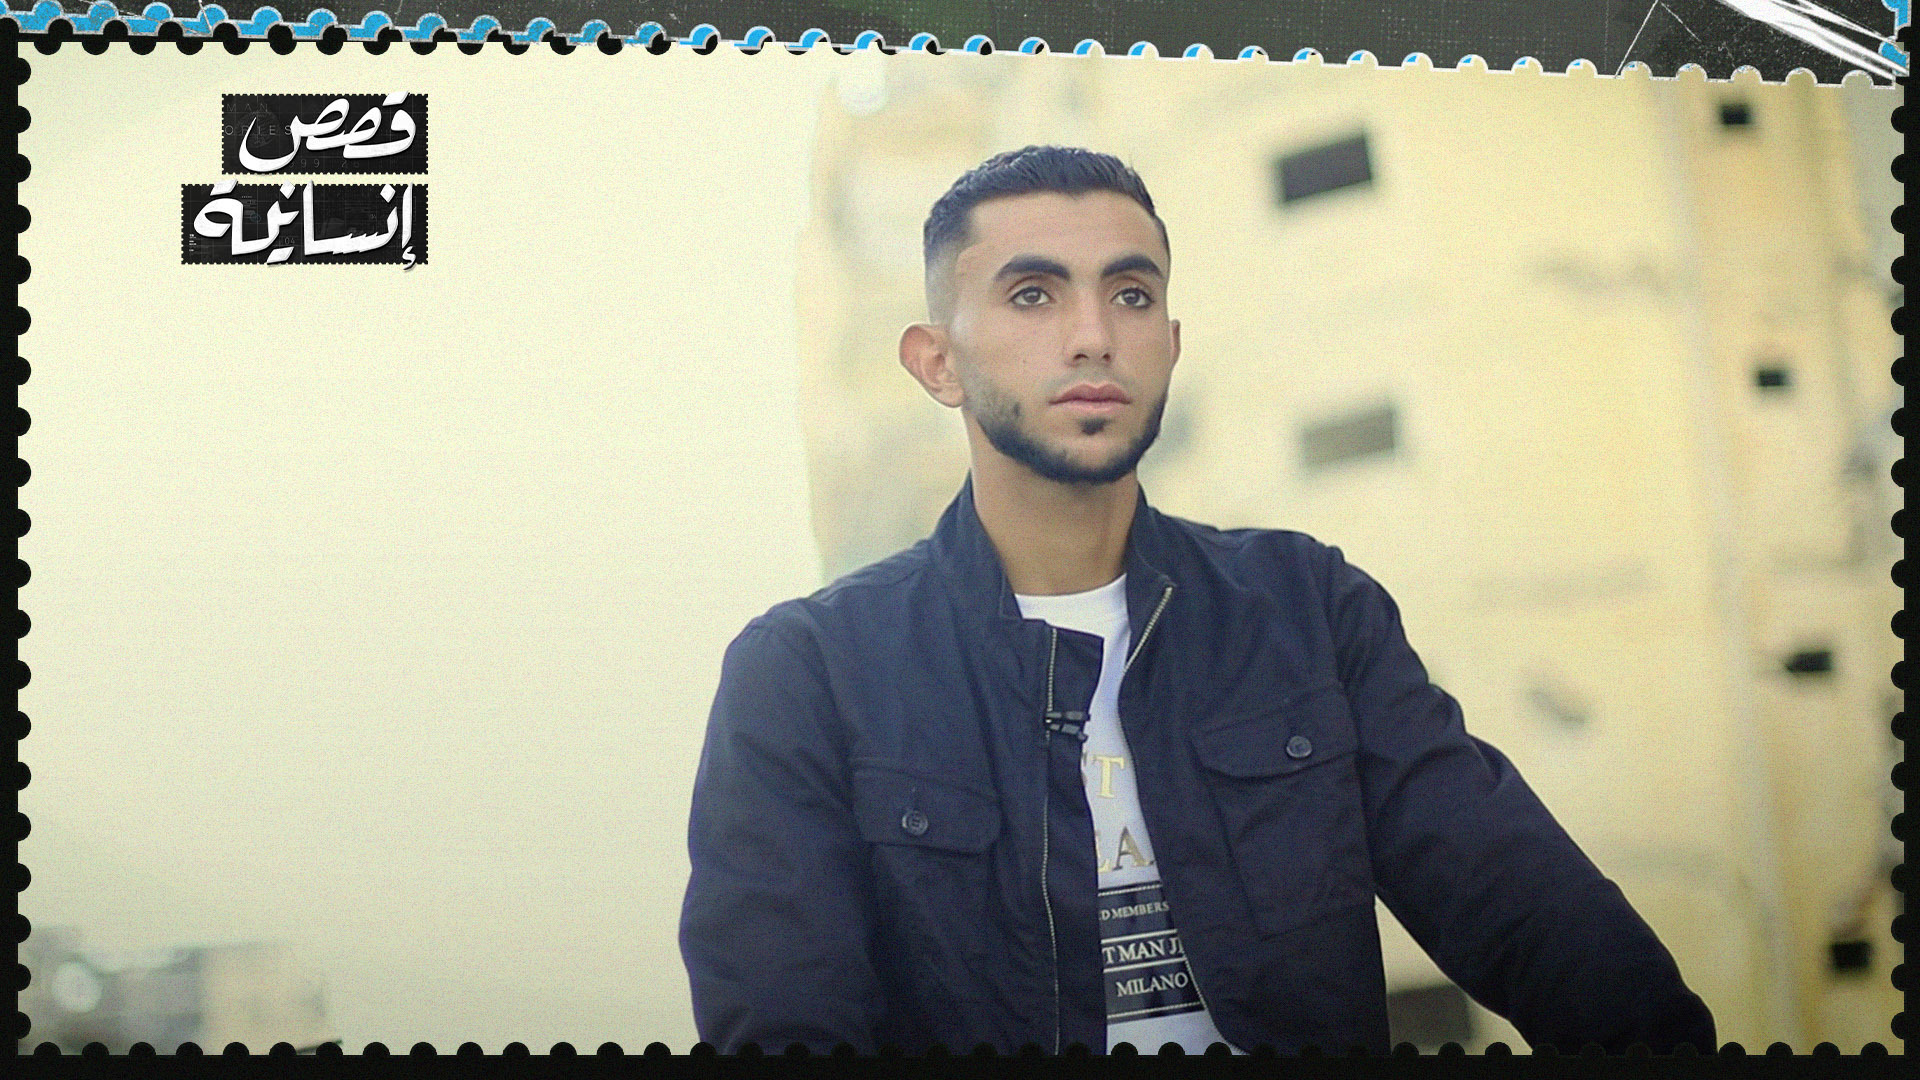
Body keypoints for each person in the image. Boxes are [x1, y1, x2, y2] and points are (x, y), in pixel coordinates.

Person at [678, 146, 1715, 1056]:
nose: (1093, 336)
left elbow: (1524, 907)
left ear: (1170, 344)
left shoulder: (1307, 609)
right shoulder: (811, 674)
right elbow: (786, 1017)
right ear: (937, 362)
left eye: (1130, 295)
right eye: (1033, 295)